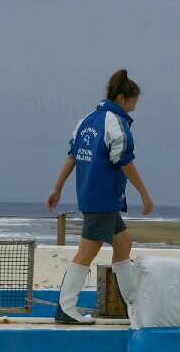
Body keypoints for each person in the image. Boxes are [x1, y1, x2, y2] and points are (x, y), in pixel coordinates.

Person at [46, 69, 154, 324]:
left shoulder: (87, 120)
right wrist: (145, 194)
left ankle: (132, 305)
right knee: (87, 252)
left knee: (123, 244)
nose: (134, 109)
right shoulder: (116, 124)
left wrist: (57, 188)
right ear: (121, 98)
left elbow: (72, 155)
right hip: (103, 197)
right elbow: (124, 161)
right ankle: (66, 308)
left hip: (92, 195)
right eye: (133, 103)